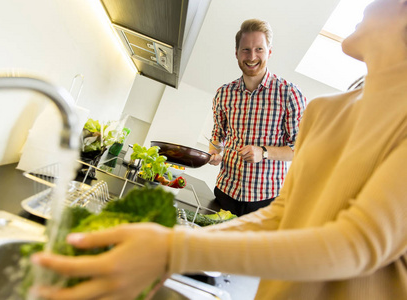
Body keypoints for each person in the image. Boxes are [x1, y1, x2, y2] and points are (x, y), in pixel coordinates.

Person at [29, 0, 407, 299]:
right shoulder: (329, 110)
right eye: (245, 49)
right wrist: (177, 242)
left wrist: (174, 249)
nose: (367, 5)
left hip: (263, 193)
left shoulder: (294, 96)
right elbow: (284, 215)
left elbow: (355, 244)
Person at [208, 18, 306, 217]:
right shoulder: (224, 93)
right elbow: (218, 135)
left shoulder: (290, 94)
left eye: (259, 49)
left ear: (269, 51)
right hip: (225, 192)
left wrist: (264, 152)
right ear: (236, 53)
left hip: (266, 202)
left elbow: (300, 148)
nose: (252, 56)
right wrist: (214, 153)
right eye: (245, 49)